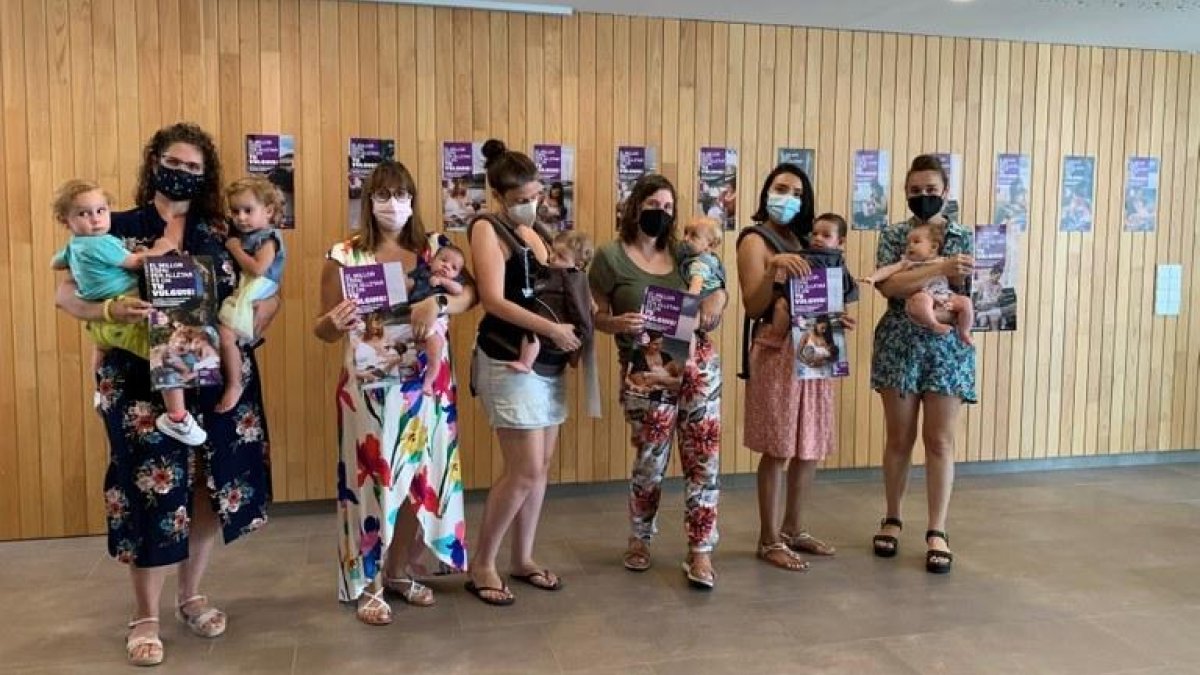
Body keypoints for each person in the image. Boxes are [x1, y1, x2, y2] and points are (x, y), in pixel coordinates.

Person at [53, 123, 277, 667]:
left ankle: (191, 594)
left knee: (205, 486)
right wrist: (106, 311)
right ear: (154, 160)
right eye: (174, 161)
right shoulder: (114, 224)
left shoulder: (224, 228)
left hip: (218, 380)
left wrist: (251, 329)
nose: (183, 173)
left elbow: (263, 291)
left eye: (196, 168)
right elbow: (65, 292)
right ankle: (145, 613)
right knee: (151, 491)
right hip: (139, 382)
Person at [314, 160, 472, 625]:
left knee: (419, 483)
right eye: (383, 195)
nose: (393, 204)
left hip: (428, 385)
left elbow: (469, 296)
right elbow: (322, 329)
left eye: (402, 194)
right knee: (373, 483)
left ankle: (400, 569)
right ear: (367, 200)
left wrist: (436, 299)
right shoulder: (344, 255)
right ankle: (370, 583)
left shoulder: (435, 248)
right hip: (370, 388)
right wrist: (334, 321)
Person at [590, 173, 727, 590]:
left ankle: (700, 549)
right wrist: (615, 322)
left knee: (703, 457)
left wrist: (713, 308)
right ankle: (640, 537)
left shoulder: (685, 252)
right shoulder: (610, 257)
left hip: (697, 366)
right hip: (644, 370)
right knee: (650, 459)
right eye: (653, 205)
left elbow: (718, 287)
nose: (661, 213)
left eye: (668, 207)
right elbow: (594, 315)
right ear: (635, 206)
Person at [466, 139, 581, 605]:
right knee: (524, 470)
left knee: (541, 469)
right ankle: (482, 564)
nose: (530, 205)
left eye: (535, 195)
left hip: (548, 363)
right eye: (519, 200)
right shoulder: (486, 228)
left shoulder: (539, 232)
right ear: (499, 198)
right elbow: (495, 300)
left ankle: (523, 557)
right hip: (509, 358)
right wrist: (552, 331)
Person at [737, 167, 857, 573]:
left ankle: (794, 528)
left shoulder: (807, 241)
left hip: (817, 342)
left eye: (795, 192)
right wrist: (773, 270)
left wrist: (836, 315)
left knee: (811, 445)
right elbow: (753, 307)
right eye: (780, 189)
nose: (787, 197)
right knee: (779, 446)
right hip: (776, 351)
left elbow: (821, 292)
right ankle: (768, 538)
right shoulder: (755, 239)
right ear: (767, 191)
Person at [869, 154, 976, 575]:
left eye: (931, 190)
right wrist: (942, 267)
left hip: (949, 344)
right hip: (899, 342)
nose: (924, 197)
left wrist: (944, 276)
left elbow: (972, 287)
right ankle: (892, 517)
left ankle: (937, 529)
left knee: (940, 440)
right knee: (899, 437)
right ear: (906, 193)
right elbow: (890, 285)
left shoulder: (966, 235)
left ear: (945, 192)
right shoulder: (894, 233)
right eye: (916, 191)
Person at [48, 180, 201, 444]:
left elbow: (56, 263)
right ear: (66, 220)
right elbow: (135, 263)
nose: (95, 219)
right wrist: (160, 248)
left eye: (100, 210)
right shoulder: (102, 240)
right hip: (125, 311)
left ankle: (97, 390)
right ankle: (177, 417)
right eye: (84, 214)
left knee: (100, 350)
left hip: (102, 325)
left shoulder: (76, 244)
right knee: (167, 351)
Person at [216, 176, 287, 411]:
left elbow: (258, 268)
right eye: (236, 212)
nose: (241, 218)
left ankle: (235, 383)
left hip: (259, 284)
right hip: (251, 284)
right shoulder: (250, 234)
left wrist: (235, 249)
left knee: (226, 335)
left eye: (248, 210)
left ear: (268, 211)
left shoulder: (268, 237)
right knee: (225, 333)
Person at [862, 221, 974, 345]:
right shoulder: (907, 262)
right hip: (922, 299)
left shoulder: (944, 258)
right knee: (921, 300)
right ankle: (933, 324)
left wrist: (960, 271)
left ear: (933, 247)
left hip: (945, 296)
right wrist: (873, 278)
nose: (910, 246)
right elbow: (887, 273)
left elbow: (958, 284)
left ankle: (965, 332)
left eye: (916, 242)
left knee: (965, 302)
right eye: (908, 243)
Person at [507, 230, 596, 374]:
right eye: (553, 252)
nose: (553, 258)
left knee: (532, 336)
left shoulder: (573, 279)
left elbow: (581, 309)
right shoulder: (552, 273)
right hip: (549, 321)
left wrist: (583, 332)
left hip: (557, 326)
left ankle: (526, 362)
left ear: (578, 264)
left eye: (561, 256)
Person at [405, 245, 468, 394]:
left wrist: (443, 282)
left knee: (435, 346)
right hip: (411, 316)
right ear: (431, 261)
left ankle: (428, 381)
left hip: (435, 321)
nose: (446, 266)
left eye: (453, 268)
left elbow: (459, 291)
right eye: (443, 260)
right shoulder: (422, 272)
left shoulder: (451, 282)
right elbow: (408, 281)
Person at [680, 217, 726, 297]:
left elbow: (694, 291)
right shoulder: (711, 258)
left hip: (703, 300)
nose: (685, 238)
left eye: (693, 235)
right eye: (685, 233)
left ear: (710, 244)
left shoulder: (700, 264)